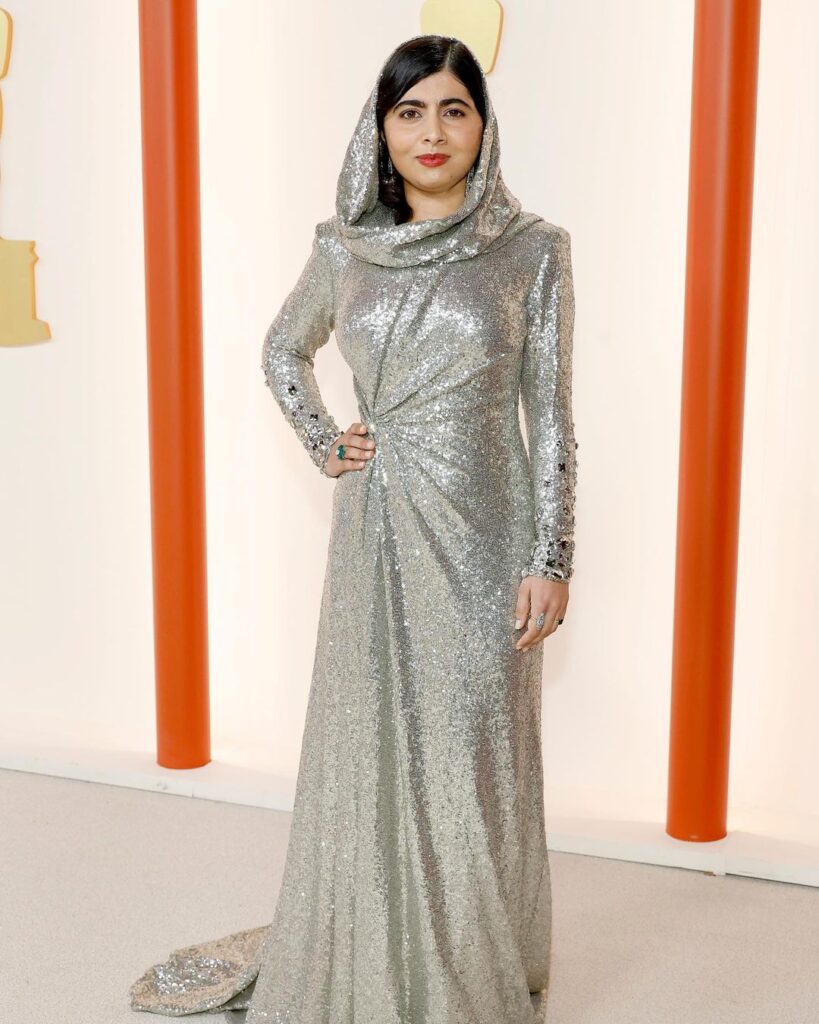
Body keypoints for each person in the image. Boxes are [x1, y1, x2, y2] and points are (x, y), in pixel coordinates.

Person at [129, 33, 578, 1024]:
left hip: (489, 538)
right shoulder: (344, 247)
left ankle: (468, 969)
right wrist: (327, 442)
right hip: (377, 527)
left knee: (474, 755)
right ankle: (377, 953)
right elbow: (282, 350)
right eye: (409, 111)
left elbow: (549, 411)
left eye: (453, 108)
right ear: (380, 129)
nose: (431, 131)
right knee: (374, 744)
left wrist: (551, 555)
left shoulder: (534, 250)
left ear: (483, 126)